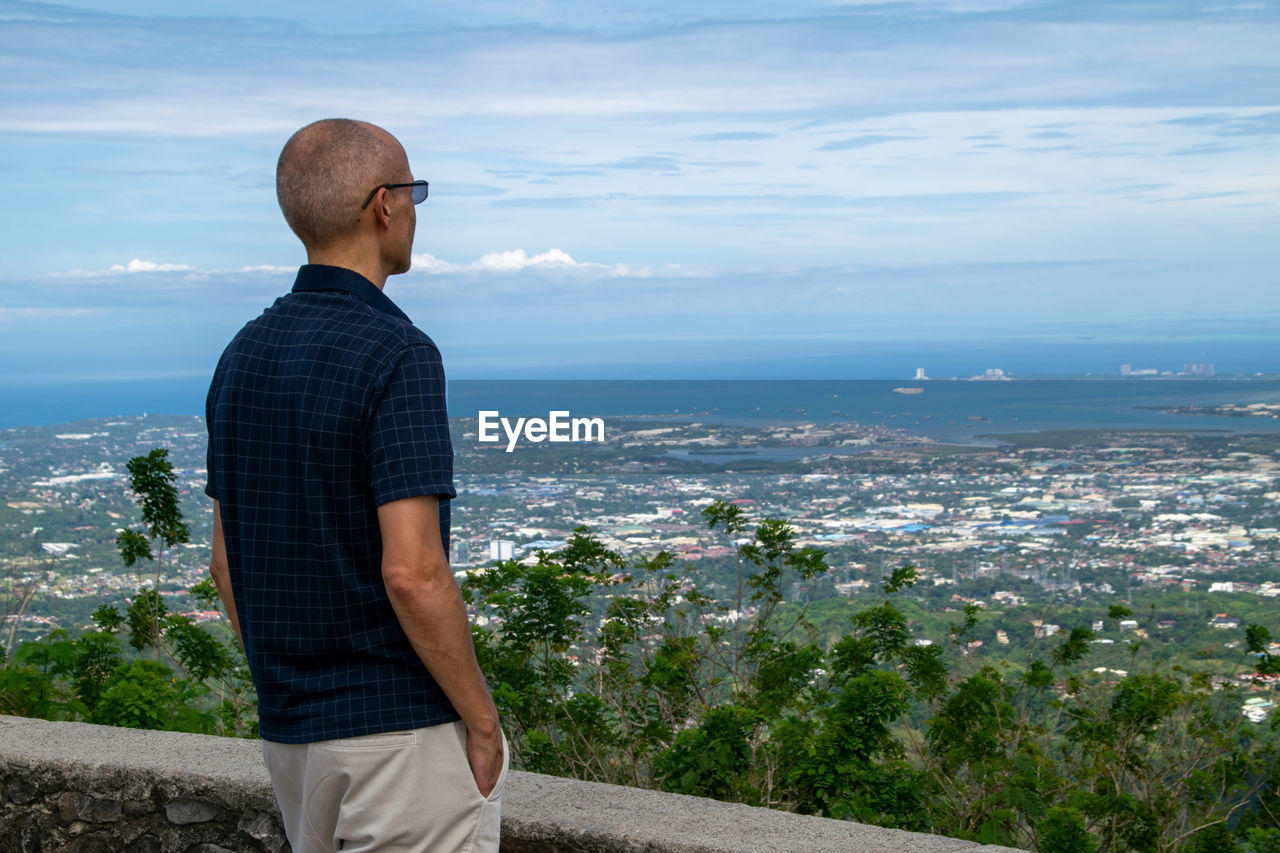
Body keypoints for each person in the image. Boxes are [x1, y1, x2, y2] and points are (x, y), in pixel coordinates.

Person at [204, 118, 505, 853]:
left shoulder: (241, 353)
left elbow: (225, 564)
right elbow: (413, 571)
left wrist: (290, 692)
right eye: (414, 193)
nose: (414, 210)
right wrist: (483, 719)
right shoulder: (397, 351)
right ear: (384, 204)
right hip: (397, 741)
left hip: (293, 740)